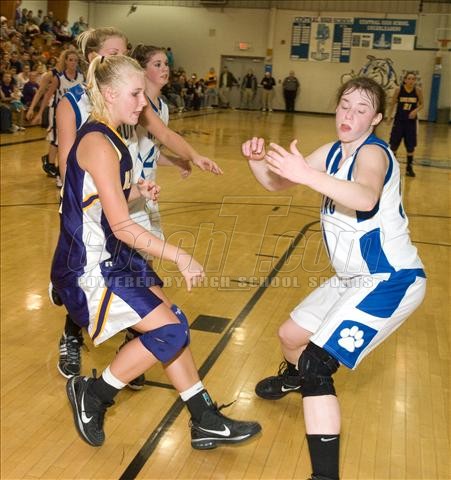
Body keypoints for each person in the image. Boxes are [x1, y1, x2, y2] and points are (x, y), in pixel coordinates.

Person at [51, 54, 262, 449]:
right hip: (89, 265)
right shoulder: (98, 142)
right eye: (135, 94)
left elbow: (94, 198)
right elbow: (121, 225)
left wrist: (135, 190)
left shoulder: (111, 136)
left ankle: (203, 418)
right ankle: (93, 395)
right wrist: (179, 255)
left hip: (113, 256)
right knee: (169, 330)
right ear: (109, 94)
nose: (142, 103)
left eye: (143, 95)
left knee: (172, 323)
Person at [242, 76, 426, 480]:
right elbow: (276, 182)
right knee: (290, 336)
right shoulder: (331, 152)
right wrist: (257, 160)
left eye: (362, 110)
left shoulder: (373, 153)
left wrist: (306, 175)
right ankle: (295, 380)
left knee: (316, 364)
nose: (349, 115)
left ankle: (324, 474)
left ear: (375, 119)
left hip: (390, 280)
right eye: (345, 105)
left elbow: (365, 196)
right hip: (352, 278)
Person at [387, 71, 423, 177]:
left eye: (413, 79)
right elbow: (392, 104)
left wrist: (415, 111)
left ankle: (409, 168)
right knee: (394, 145)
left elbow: (422, 104)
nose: (411, 81)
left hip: (411, 123)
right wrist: (389, 117)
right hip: (399, 121)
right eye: (409, 79)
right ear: (405, 80)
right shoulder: (399, 90)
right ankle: (392, 167)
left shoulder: (417, 91)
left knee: (410, 146)